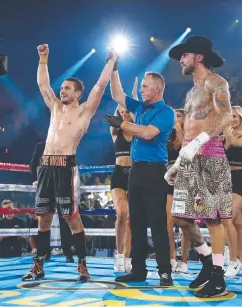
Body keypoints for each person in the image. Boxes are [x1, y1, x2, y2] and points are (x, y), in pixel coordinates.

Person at [22, 44, 117, 282]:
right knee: (43, 217)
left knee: (71, 217)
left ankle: (82, 265)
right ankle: (39, 265)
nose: (62, 91)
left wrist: (110, 62)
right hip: (45, 166)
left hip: (66, 166)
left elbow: (99, 87)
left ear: (77, 94)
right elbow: (43, 86)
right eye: (62, 87)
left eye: (67, 88)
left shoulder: (85, 111)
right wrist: (43, 59)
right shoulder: (55, 108)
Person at [166, 35, 233, 297]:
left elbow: (227, 114)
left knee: (212, 219)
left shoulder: (217, 83)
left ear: (199, 56)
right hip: (190, 156)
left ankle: (218, 277)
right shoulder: (191, 91)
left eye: (184, 55)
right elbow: (190, 129)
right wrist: (179, 160)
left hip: (210, 154)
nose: (180, 60)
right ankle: (206, 262)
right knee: (181, 217)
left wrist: (201, 142)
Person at [105, 53, 175, 286]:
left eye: (145, 86)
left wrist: (123, 124)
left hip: (155, 172)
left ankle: (165, 272)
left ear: (157, 88)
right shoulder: (140, 107)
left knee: (157, 222)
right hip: (136, 172)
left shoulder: (166, 112)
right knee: (135, 222)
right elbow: (116, 94)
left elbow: (148, 133)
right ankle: (138, 271)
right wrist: (114, 68)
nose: (142, 90)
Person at [29, 141, 74, 263]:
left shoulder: (64, 144)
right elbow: (33, 165)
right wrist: (36, 180)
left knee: (65, 218)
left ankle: (68, 253)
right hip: (45, 186)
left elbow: (71, 166)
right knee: (44, 220)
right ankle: (44, 253)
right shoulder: (41, 146)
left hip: (61, 185)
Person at [222, 106, 242, 277]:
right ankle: (241, 263)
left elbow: (234, 143)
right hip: (225, 181)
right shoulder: (224, 138)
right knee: (238, 224)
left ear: (241, 118)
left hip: (240, 180)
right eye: (229, 116)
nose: (232, 119)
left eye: (234, 116)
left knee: (227, 218)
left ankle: (232, 261)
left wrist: (226, 128)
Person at [110, 98, 134, 272]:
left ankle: (127, 257)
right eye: (122, 112)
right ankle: (118, 254)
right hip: (119, 174)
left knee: (131, 219)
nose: (124, 114)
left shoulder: (138, 130)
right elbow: (114, 117)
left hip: (135, 175)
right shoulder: (115, 130)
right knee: (122, 213)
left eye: (127, 111)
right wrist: (121, 97)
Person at [166, 109, 191, 273]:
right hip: (168, 177)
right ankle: (171, 258)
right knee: (168, 221)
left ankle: (184, 260)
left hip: (185, 177)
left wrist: (177, 124)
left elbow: (184, 146)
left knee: (185, 222)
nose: (175, 118)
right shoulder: (168, 136)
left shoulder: (189, 134)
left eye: (179, 115)